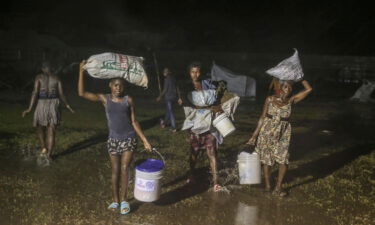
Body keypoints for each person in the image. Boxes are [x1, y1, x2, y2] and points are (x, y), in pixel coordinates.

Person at [78, 60, 152, 214]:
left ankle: (124, 200)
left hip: (129, 139)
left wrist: (144, 140)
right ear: (110, 86)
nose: (118, 88)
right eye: (115, 85)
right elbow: (82, 93)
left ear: (123, 87)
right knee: (115, 170)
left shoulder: (128, 100)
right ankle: (115, 200)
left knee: (125, 168)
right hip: (113, 140)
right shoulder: (105, 99)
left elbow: (134, 121)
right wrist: (81, 72)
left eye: (120, 85)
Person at [246, 79, 312, 196]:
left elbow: (309, 89)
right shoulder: (270, 99)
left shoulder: (291, 100)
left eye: (290, 88)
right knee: (267, 160)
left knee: (283, 159)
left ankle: (278, 187)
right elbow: (262, 117)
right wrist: (254, 136)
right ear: (280, 87)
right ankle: (267, 186)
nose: (287, 90)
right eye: (285, 87)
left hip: (284, 133)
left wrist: (300, 77)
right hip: (267, 132)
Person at [22, 61, 74, 163]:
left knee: (40, 127)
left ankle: (43, 148)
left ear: (42, 69)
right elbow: (62, 94)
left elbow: (35, 92)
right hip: (54, 103)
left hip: (42, 102)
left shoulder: (39, 77)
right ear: (51, 68)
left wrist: (29, 108)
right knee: (52, 130)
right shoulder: (57, 78)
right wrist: (67, 105)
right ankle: (49, 155)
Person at [184, 61, 223, 192]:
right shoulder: (186, 87)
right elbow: (188, 106)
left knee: (212, 153)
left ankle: (216, 182)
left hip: (209, 125)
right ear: (189, 73)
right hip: (195, 125)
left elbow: (216, 100)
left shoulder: (208, 84)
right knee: (194, 152)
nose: (196, 74)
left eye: (198, 71)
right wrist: (207, 107)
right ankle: (191, 173)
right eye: (193, 72)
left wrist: (216, 106)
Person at [156, 67, 182, 132]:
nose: (164, 73)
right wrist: (179, 97)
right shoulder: (174, 79)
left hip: (168, 98)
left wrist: (160, 96)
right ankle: (164, 123)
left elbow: (165, 89)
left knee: (170, 112)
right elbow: (177, 88)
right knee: (168, 111)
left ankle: (174, 127)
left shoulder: (166, 79)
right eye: (164, 71)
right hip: (174, 97)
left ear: (167, 73)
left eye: (165, 72)